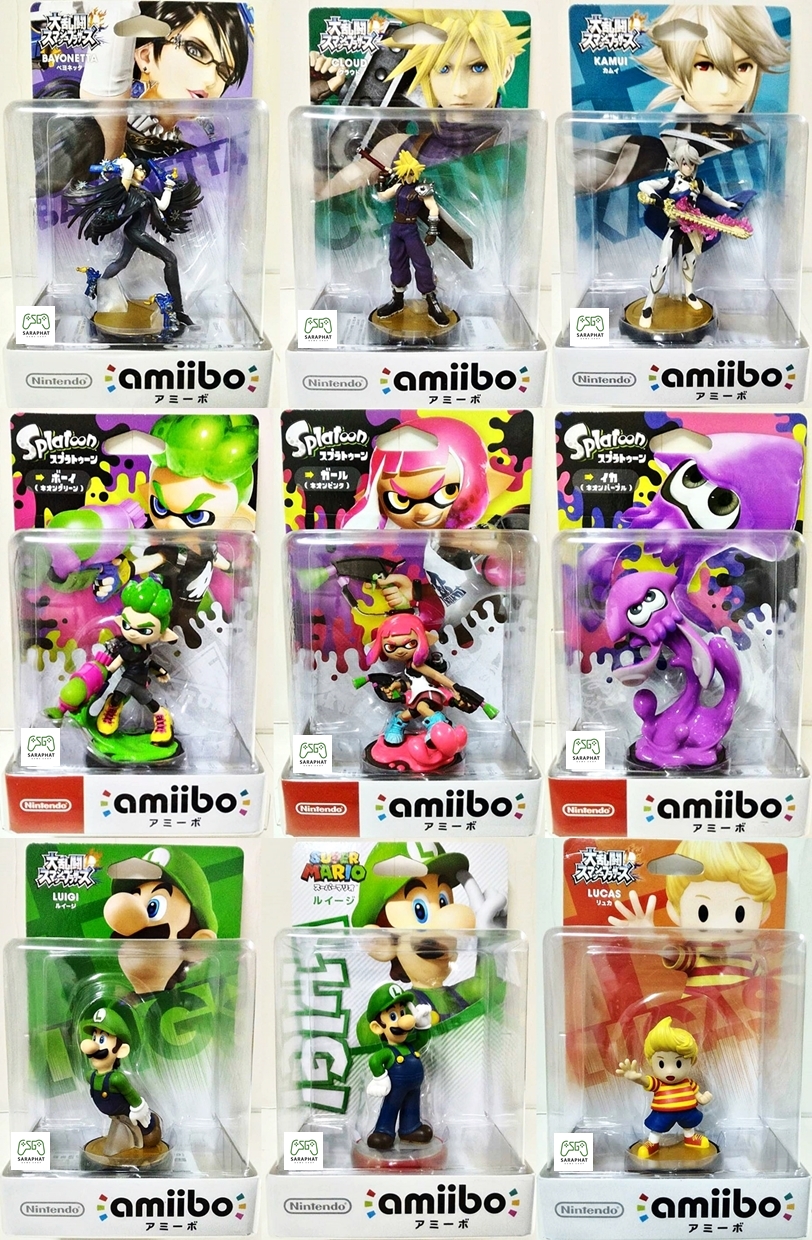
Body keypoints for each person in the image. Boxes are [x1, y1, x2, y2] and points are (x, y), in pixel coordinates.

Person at [636, 138, 751, 327]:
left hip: (694, 229)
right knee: (663, 265)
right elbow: (644, 186)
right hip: (675, 227)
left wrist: (728, 204)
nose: (688, 167)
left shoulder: (698, 184)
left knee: (690, 261)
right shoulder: (671, 181)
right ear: (678, 163)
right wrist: (659, 200)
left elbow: (712, 195)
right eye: (684, 163)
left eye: (691, 163)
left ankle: (689, 294)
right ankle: (648, 305)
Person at [636, 5, 789, 114]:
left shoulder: (758, 140)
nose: (724, 88)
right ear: (673, 69)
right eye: (704, 66)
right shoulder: (659, 145)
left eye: (742, 67)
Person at [617, 1016, 712, 1159]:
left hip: (687, 1111)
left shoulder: (689, 1083)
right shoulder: (659, 1084)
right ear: (652, 1063)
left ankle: (691, 1138)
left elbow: (698, 1095)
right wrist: (637, 1078)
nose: (670, 1071)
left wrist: (703, 1099)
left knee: (689, 1123)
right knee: (657, 1127)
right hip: (663, 1113)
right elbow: (647, 1082)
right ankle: (652, 1143)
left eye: (678, 1064)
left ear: (691, 1062)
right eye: (661, 1064)